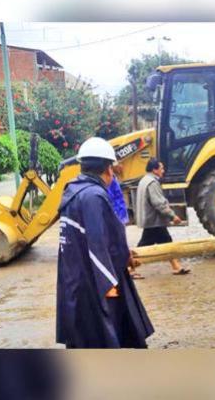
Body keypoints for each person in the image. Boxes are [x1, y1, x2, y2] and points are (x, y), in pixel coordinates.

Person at [56, 137, 154, 348]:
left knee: (87, 332)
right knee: (107, 332)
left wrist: (125, 255)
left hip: (80, 276)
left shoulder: (73, 191)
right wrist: (108, 283)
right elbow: (97, 242)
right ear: (108, 169)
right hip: (97, 281)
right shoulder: (93, 195)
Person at [135, 158, 191, 275]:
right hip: (154, 221)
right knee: (145, 247)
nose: (163, 171)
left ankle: (176, 266)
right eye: (161, 168)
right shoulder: (152, 183)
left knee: (164, 242)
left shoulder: (144, 180)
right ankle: (129, 268)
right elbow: (159, 203)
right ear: (155, 170)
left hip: (151, 220)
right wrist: (172, 216)